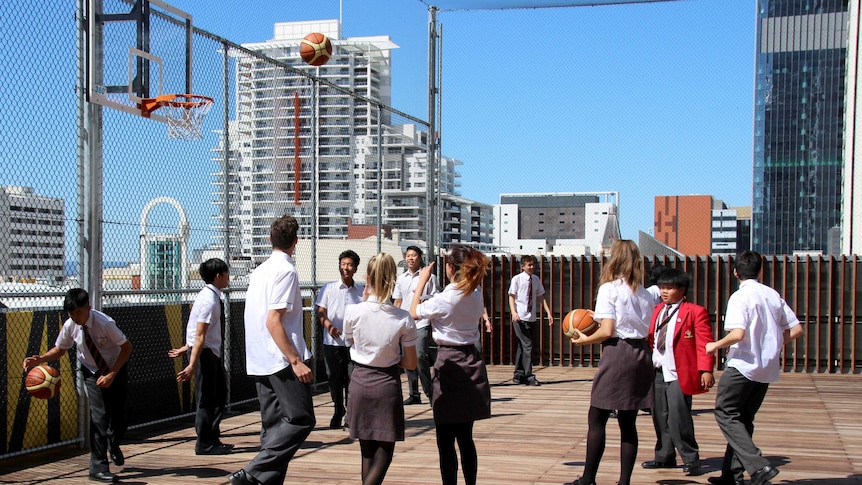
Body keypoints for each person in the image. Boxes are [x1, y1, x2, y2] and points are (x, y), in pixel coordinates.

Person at [228, 215, 316, 485]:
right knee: (302, 419)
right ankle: (252, 472)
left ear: (270, 240)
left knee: (274, 428)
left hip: (259, 358)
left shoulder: (260, 270)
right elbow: (273, 319)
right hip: (280, 359)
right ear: (296, 242)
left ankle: (262, 480)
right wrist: (295, 360)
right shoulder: (286, 271)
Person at [705, 250, 802, 485]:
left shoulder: (740, 297)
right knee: (743, 419)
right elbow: (797, 329)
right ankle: (731, 475)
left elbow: (737, 334)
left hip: (742, 365)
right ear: (760, 271)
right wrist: (773, 343)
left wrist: (714, 346)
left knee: (726, 413)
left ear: (735, 271)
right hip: (766, 368)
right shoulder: (772, 294)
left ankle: (759, 466)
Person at [566, 240, 655, 485]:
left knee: (597, 418)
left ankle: (588, 479)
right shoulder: (646, 294)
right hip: (641, 354)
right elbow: (637, 325)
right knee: (629, 422)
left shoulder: (609, 289)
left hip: (618, 353)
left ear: (613, 259)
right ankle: (624, 482)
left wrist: (584, 340)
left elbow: (607, 331)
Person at [23, 288, 133, 483]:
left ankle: (113, 443)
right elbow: (60, 349)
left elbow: (127, 347)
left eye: (79, 313)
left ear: (89, 308)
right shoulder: (70, 325)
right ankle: (98, 467)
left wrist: (112, 374)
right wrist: (39, 359)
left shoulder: (104, 323)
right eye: (71, 314)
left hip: (115, 368)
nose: (75, 317)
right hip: (91, 371)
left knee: (120, 416)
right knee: (99, 416)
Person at [410, 245, 492, 485]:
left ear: (451, 267)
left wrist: (421, 282)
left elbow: (414, 312)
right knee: (466, 436)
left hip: (449, 362)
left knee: (445, 438)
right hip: (471, 360)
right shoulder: (475, 292)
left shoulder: (447, 297)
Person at [343, 253, 418, 485]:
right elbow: (411, 363)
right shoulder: (403, 318)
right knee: (385, 449)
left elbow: (351, 342)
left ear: (367, 277)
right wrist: (391, 357)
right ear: (393, 279)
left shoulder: (353, 312)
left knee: (366, 450)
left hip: (359, 381)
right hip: (387, 384)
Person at [642, 268, 715, 477]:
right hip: (658, 369)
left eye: (669, 288)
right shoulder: (657, 310)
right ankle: (664, 455)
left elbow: (704, 343)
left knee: (678, 416)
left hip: (679, 371)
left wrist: (706, 370)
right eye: (662, 287)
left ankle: (691, 458)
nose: (664, 292)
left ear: (682, 290)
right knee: (659, 415)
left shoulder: (694, 311)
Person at [168, 258, 233, 455]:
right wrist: (191, 363)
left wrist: (185, 347)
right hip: (204, 354)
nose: (229, 277)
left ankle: (212, 437)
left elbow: (198, 330)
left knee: (219, 394)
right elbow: (200, 334)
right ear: (218, 275)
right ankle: (204, 443)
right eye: (227, 273)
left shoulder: (211, 296)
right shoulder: (208, 300)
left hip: (209, 351)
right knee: (206, 398)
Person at [315, 249, 364, 429]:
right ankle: (338, 409)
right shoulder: (328, 288)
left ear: (355, 268)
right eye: (343, 264)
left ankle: (350, 415)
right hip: (333, 343)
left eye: (349, 265)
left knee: (352, 380)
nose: (345, 268)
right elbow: (321, 311)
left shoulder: (361, 291)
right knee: (334, 379)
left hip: (354, 344)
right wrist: (328, 326)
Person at [392, 245, 439, 405]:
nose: (410, 258)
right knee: (407, 358)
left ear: (420, 257)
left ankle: (430, 393)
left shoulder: (429, 277)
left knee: (420, 357)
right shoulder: (401, 278)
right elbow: (397, 301)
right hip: (404, 323)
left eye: (414, 255)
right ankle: (414, 394)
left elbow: (435, 297)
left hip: (421, 321)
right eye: (408, 255)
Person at [507, 255, 554, 386]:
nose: (532, 267)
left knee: (522, 346)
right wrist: (514, 312)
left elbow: (541, 297)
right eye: (529, 265)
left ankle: (518, 374)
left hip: (531, 316)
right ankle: (529, 375)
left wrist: (548, 313)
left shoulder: (536, 279)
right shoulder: (517, 279)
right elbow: (511, 297)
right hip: (520, 317)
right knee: (527, 345)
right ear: (522, 266)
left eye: (533, 264)